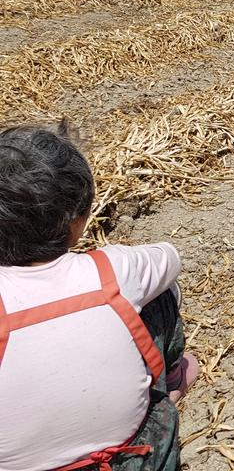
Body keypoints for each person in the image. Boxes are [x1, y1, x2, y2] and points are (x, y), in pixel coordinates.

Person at [0, 124, 198, 471]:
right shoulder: (112, 270)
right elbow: (170, 258)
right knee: (158, 292)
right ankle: (170, 382)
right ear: (77, 220)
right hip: (132, 457)